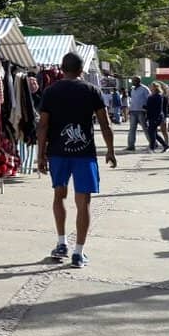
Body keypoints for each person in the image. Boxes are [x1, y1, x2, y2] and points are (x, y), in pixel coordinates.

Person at [37, 52, 116, 269]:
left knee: (59, 195)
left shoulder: (50, 91)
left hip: (58, 153)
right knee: (84, 202)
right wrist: (110, 150)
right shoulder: (92, 91)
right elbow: (104, 123)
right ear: (82, 70)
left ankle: (61, 243)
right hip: (84, 154)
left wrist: (40, 155)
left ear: (62, 69)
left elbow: (42, 125)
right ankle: (78, 253)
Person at [125, 76, 149, 151]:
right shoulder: (132, 89)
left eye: (134, 81)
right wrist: (130, 109)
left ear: (139, 81)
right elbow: (132, 100)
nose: (133, 82)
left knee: (145, 128)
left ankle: (153, 142)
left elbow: (149, 99)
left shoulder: (144, 89)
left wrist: (147, 109)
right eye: (133, 81)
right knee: (132, 129)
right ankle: (131, 145)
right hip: (133, 111)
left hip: (141, 111)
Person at [145, 83, 169, 152]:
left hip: (155, 116)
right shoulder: (155, 96)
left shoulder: (157, 96)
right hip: (153, 116)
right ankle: (165, 145)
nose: (150, 88)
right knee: (154, 133)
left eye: (151, 86)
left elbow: (156, 108)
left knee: (151, 132)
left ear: (155, 88)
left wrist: (145, 107)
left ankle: (152, 148)